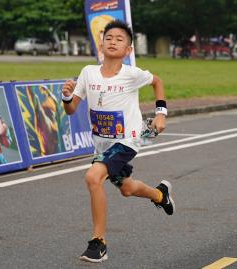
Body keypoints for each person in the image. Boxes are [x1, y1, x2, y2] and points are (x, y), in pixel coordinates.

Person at [62, 20, 174, 263]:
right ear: (100, 44)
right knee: (126, 188)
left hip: (128, 139)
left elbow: (158, 82)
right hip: (102, 144)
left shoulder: (131, 74)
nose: (112, 41)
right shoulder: (88, 73)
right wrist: (66, 96)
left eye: (119, 39)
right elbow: (71, 110)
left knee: (93, 177)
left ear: (129, 50)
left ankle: (98, 243)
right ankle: (159, 195)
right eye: (108, 37)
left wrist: (161, 114)